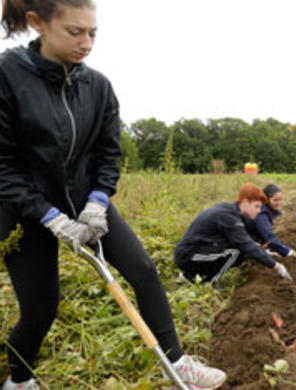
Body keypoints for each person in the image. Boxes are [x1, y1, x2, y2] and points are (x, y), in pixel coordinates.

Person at [0, 1, 227, 389]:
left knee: (143, 270)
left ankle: (177, 363)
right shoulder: (8, 76)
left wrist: (98, 200)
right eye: (75, 32)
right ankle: (19, 381)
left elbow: (108, 154)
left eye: (93, 33)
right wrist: (49, 216)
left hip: (86, 202)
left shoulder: (98, 87)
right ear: (38, 23)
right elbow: (3, 164)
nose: (86, 42)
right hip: (24, 211)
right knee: (40, 310)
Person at [174, 183, 294, 284]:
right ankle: (210, 283)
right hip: (188, 255)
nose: (259, 211)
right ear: (246, 202)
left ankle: (189, 275)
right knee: (235, 253)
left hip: (199, 249)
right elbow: (246, 244)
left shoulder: (233, 210)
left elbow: (246, 237)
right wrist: (276, 266)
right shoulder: (229, 217)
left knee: (237, 249)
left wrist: (264, 250)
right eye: (257, 206)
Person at [248, 184, 296, 266]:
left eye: (280, 200)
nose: (278, 203)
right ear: (266, 200)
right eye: (275, 200)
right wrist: (294, 254)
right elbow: (269, 237)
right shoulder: (260, 213)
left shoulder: (268, 209)